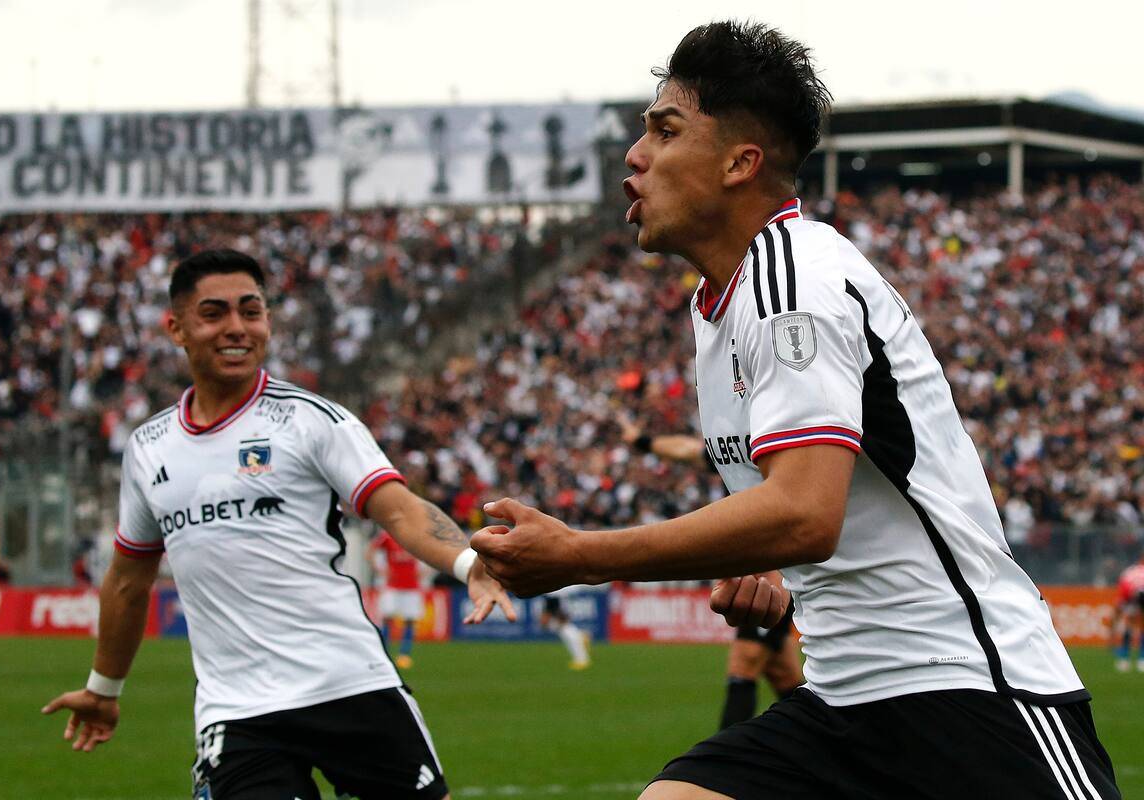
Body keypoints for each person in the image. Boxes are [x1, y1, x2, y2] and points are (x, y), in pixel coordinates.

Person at [472, 20, 1120, 799]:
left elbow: (804, 514)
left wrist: (581, 558)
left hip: (968, 693)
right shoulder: (721, 306)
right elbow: (805, 511)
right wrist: (761, 568)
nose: (635, 156)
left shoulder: (794, 278)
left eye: (665, 130)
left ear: (741, 162)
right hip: (848, 699)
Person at [43, 249, 515, 800]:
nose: (237, 328)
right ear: (176, 327)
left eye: (251, 311)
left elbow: (399, 509)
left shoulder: (311, 420)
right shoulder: (148, 448)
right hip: (237, 712)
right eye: (214, 313)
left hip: (348, 685)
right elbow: (127, 580)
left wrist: (468, 565)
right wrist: (103, 688)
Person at [619, 417, 802, 727]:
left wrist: (775, 577)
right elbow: (687, 450)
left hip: (776, 577)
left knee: (743, 665)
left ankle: (726, 769)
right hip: (766, 575)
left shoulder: (780, 448)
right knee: (785, 675)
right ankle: (831, 747)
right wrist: (643, 442)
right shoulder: (739, 451)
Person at [368, 528, 427, 669]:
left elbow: (429, 551)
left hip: (411, 586)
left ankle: (404, 654)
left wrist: (426, 570)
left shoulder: (415, 537)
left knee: (410, 620)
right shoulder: (388, 536)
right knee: (388, 618)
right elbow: (370, 551)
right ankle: (385, 653)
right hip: (392, 586)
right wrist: (379, 569)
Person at [538, 589, 591, 670]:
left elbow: (553, 601)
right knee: (561, 628)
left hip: (558, 605)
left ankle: (581, 659)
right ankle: (580, 636)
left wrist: (556, 616)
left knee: (564, 629)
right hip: (561, 603)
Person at [1112, 555, 1144, 672]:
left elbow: (1123, 588)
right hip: (1133, 596)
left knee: (1130, 626)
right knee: (1139, 626)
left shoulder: (1130, 571)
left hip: (1130, 596)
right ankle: (1140, 658)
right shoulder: (1133, 572)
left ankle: (1125, 658)